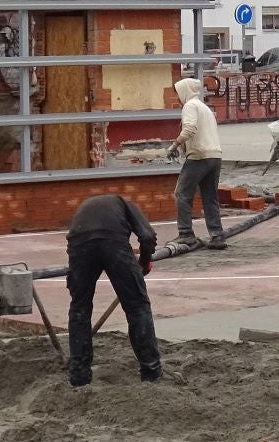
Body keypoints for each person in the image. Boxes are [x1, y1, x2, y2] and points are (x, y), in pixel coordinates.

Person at [63, 192, 161, 387]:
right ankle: (151, 371)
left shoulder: (90, 205)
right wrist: (144, 262)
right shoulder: (127, 204)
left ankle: (79, 375)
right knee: (137, 307)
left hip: (79, 243)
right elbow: (147, 236)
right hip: (112, 242)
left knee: (79, 309)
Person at [168, 77, 226, 251]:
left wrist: (174, 145)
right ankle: (217, 236)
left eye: (178, 93)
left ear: (184, 91)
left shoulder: (190, 106)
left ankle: (186, 234)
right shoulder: (204, 108)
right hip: (215, 156)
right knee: (210, 197)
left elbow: (190, 128)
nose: (178, 98)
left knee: (182, 193)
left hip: (199, 156)